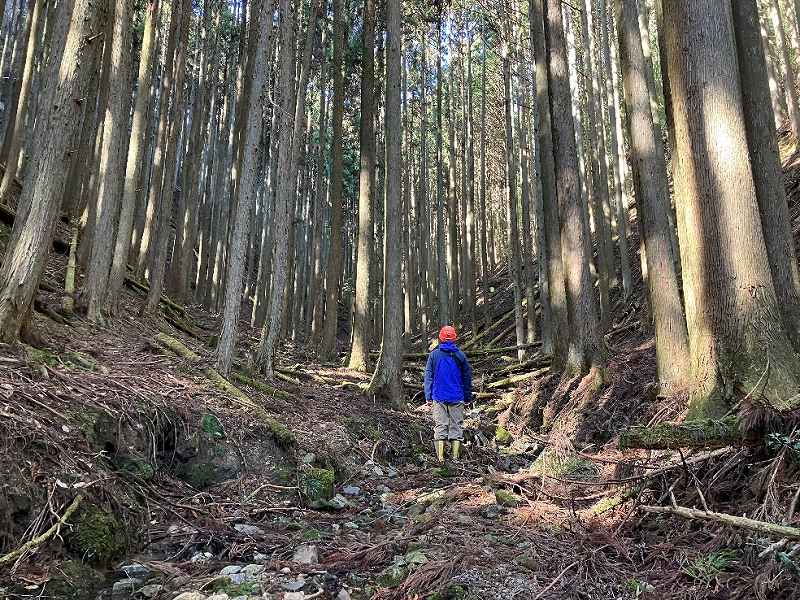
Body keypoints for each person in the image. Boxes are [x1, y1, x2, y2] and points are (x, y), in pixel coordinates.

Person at [424, 325, 473, 463]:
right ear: (454, 338)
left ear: (440, 338)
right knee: (456, 426)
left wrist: (428, 396)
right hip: (457, 397)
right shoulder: (460, 355)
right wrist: (467, 397)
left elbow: (428, 376)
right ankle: (455, 457)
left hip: (439, 397)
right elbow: (467, 378)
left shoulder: (434, 355)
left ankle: (440, 458)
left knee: (440, 425)